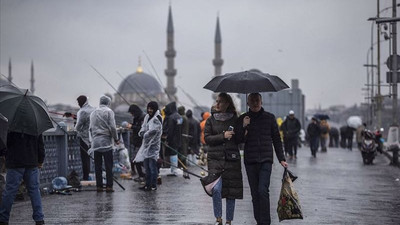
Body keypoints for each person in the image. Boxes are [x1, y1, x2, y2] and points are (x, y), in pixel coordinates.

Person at [235, 93, 288, 225]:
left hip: (265, 159)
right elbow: (238, 139)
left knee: (262, 191)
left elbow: (276, 138)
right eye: (252, 101)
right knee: (255, 194)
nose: (255, 103)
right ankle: (259, 221)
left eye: (257, 100)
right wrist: (244, 126)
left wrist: (281, 158)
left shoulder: (269, 118)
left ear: (261, 101)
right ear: (248, 103)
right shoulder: (243, 118)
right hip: (250, 160)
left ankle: (265, 222)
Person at [203, 93, 243, 225]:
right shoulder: (211, 120)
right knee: (216, 189)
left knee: (231, 191)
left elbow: (240, 140)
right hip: (215, 159)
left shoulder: (235, 120)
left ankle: (229, 221)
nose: (217, 104)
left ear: (227, 104)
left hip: (231, 159)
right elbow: (207, 139)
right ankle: (218, 218)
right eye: (217, 101)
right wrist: (223, 136)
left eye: (220, 101)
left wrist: (244, 128)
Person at [0, 131, 45, 225]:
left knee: (9, 191)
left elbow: (3, 143)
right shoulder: (35, 123)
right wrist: (40, 160)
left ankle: (3, 219)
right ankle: (39, 219)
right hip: (31, 162)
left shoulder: (11, 123)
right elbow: (40, 145)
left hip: (14, 162)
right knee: (34, 191)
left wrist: (5, 154)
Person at [89, 95, 119, 192]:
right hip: (106, 142)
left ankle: (99, 186)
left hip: (96, 143)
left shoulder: (93, 112)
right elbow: (112, 127)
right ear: (108, 102)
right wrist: (116, 138)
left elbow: (90, 128)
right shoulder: (109, 112)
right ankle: (109, 186)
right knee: (108, 165)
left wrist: (92, 140)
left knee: (97, 166)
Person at [138, 101, 163, 191]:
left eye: (151, 109)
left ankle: (153, 185)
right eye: (148, 108)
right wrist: (141, 132)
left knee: (152, 167)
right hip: (146, 145)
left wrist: (145, 134)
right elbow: (144, 127)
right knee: (147, 167)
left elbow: (154, 130)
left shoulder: (157, 118)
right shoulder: (147, 117)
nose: (149, 110)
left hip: (153, 146)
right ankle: (147, 184)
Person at [74, 95, 95, 181]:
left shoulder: (83, 112)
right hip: (93, 137)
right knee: (93, 158)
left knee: (85, 158)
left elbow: (78, 126)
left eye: (79, 102)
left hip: (84, 138)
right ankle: (92, 175)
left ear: (82, 102)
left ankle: (85, 177)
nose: (78, 104)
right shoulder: (93, 110)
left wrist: (75, 128)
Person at [162, 102, 182, 176]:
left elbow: (170, 131)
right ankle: (174, 169)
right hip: (178, 138)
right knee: (175, 153)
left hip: (172, 139)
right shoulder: (179, 117)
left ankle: (174, 170)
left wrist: (168, 140)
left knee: (172, 154)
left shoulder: (171, 118)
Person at [127, 104, 146, 183]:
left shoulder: (142, 117)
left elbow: (140, 129)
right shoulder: (137, 117)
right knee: (136, 159)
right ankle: (142, 175)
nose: (131, 115)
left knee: (137, 159)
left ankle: (143, 175)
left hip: (140, 142)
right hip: (137, 141)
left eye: (132, 113)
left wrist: (131, 127)